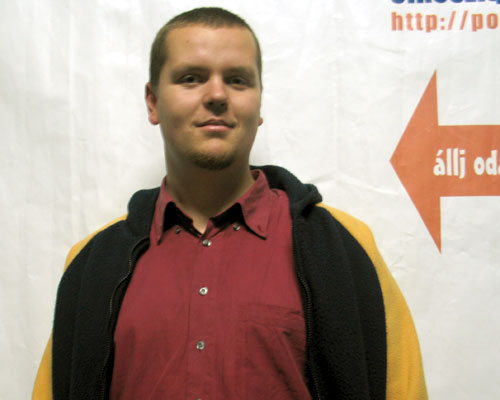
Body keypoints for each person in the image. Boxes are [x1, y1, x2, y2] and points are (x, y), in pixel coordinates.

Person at [33, 6, 427, 400]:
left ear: (259, 104)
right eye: (191, 78)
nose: (217, 95)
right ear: (152, 102)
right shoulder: (91, 266)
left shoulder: (344, 249)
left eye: (237, 80)